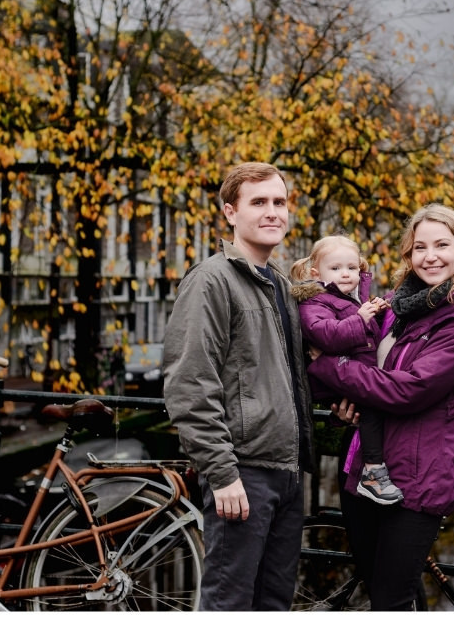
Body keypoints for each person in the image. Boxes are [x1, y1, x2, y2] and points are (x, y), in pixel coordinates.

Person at [307, 205, 454, 609]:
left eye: (442, 245)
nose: (430, 256)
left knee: (389, 603)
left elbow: (406, 390)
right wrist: (346, 407)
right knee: (385, 591)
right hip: (363, 469)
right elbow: (369, 369)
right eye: (420, 247)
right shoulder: (401, 307)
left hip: (416, 480)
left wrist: (324, 364)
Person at [162, 162, 315, 611]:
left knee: (273, 605)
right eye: (259, 203)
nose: (273, 213)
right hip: (242, 473)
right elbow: (189, 382)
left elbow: (284, 373)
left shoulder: (280, 285)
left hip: (286, 473)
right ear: (230, 212)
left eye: (280, 202)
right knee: (228, 605)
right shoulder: (211, 280)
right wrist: (222, 472)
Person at [289, 235, 403, 506]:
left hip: (350, 373)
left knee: (371, 410)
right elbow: (326, 335)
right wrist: (361, 318)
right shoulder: (314, 301)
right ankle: (373, 472)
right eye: (336, 268)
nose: (345, 274)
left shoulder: (348, 299)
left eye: (352, 268)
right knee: (374, 405)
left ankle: (373, 468)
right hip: (331, 376)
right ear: (316, 273)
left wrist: (374, 312)